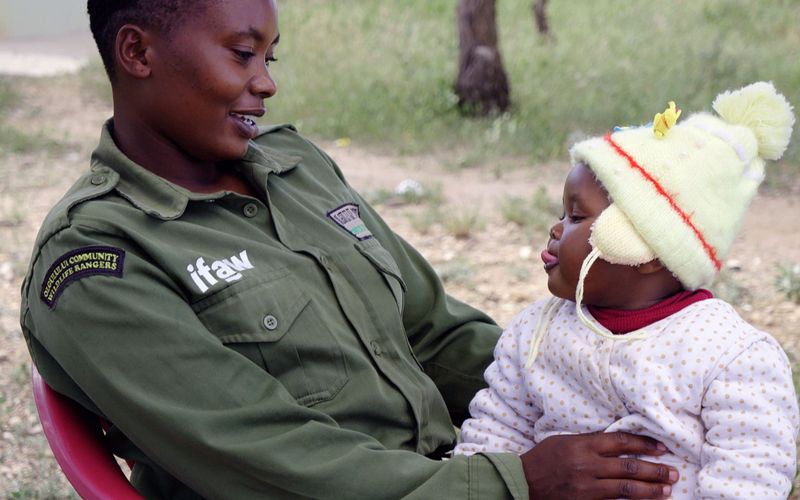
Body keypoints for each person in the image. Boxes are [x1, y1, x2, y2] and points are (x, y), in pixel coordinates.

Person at [19, 0, 680, 498]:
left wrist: (612, 394)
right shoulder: (98, 260)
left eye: (269, 58)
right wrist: (518, 482)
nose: (267, 83)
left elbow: (436, 336)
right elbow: (269, 459)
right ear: (137, 53)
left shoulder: (294, 167)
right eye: (242, 54)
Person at [454, 82, 799, 498]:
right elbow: (492, 436)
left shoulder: (730, 358)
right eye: (562, 213)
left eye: (577, 216)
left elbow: (750, 479)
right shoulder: (533, 334)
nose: (556, 228)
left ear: (648, 250)